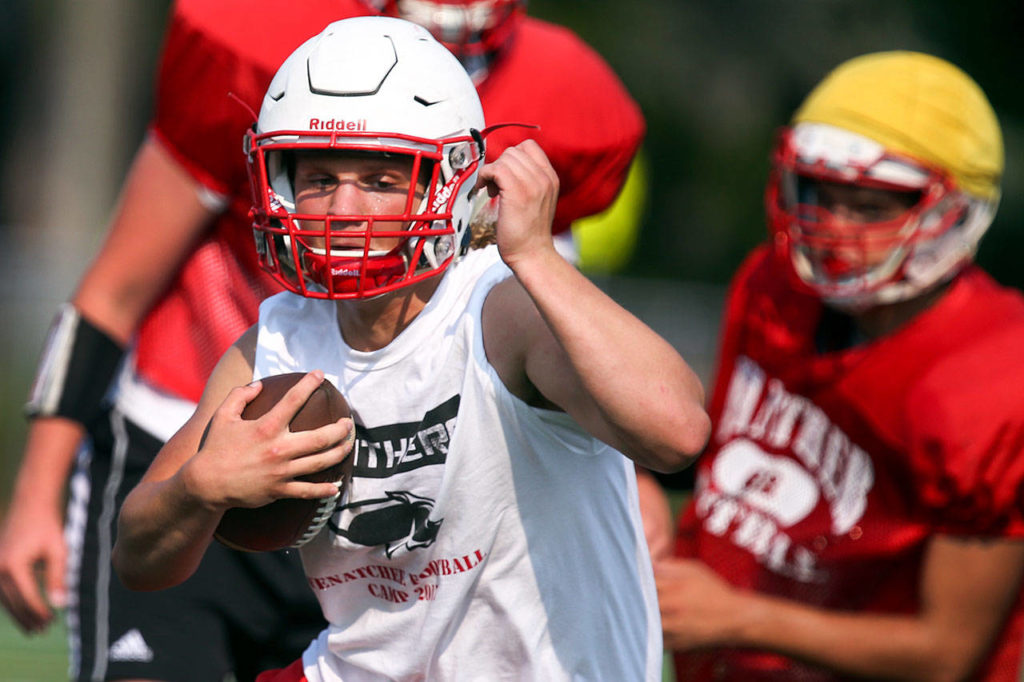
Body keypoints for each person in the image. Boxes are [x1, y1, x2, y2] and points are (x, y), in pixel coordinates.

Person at [0, 1, 645, 680]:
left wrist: (624, 483)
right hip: (197, 416)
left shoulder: (555, 98)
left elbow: (558, 343)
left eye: (377, 178)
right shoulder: (272, 59)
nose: (345, 210)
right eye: (320, 178)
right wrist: (37, 491)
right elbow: (109, 293)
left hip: (392, 475)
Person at [657, 50, 1024, 681]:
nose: (831, 227)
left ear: (954, 211)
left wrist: (741, 619)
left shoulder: (995, 378)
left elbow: (947, 653)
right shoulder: (772, 286)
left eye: (873, 205)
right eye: (821, 192)